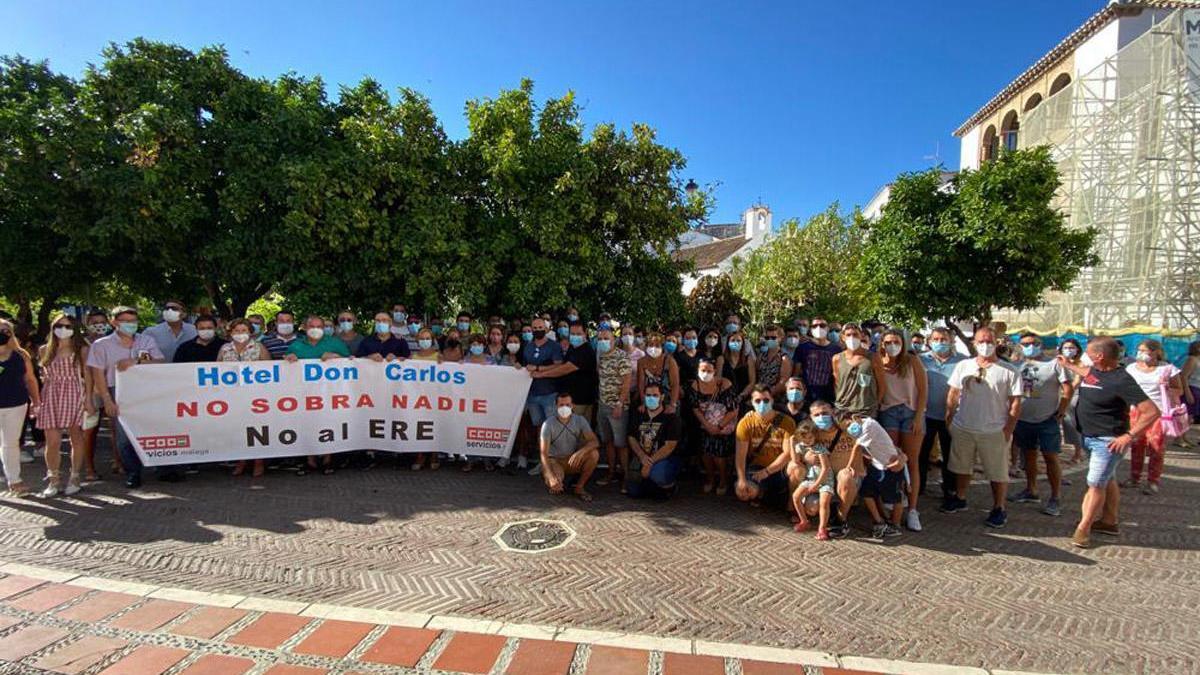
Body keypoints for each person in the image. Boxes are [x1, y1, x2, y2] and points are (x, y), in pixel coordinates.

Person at [1061, 336, 1159, 548]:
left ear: (1099, 356)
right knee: (1108, 478)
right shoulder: (1095, 371)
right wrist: (1067, 365)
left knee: (1095, 484)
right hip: (1088, 436)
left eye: (1088, 352)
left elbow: (1151, 412)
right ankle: (1109, 521)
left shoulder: (1122, 379)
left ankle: (1083, 528)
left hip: (1108, 441)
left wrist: (1129, 436)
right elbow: (1086, 373)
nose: (1084, 355)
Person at [942, 326, 1022, 528]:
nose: (985, 345)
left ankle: (999, 507)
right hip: (964, 426)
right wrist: (949, 417)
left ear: (996, 343)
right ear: (974, 343)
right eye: (981, 341)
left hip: (994, 430)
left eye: (989, 341)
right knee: (961, 466)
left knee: (997, 472)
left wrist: (1008, 430)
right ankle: (960, 498)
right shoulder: (963, 365)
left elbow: (1015, 403)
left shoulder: (1010, 371)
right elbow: (953, 393)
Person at [87, 306, 164, 489]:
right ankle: (132, 472)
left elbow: (160, 361)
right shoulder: (101, 345)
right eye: (126, 321)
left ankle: (161, 468)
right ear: (114, 323)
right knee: (123, 436)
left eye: (133, 321)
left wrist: (136, 361)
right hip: (117, 391)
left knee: (153, 430)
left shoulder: (147, 340)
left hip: (147, 392)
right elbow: (98, 374)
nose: (131, 325)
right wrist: (107, 400)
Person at [1008, 333, 1072, 516]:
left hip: (1047, 419)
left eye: (1033, 343)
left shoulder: (1054, 364)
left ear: (1040, 344)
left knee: (1051, 457)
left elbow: (1067, 388)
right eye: (1025, 344)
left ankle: (1055, 497)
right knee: (1028, 456)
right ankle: (1031, 489)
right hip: (1023, 418)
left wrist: (1061, 411)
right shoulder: (1016, 365)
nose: (1029, 346)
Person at [284, 315, 351, 475]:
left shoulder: (335, 343)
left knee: (328, 422)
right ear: (305, 328)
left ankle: (328, 460)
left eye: (319, 326)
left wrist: (336, 358)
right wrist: (289, 359)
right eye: (312, 326)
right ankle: (310, 461)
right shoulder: (296, 345)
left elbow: (350, 362)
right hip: (304, 394)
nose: (316, 329)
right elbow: (286, 365)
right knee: (307, 424)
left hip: (330, 393)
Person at [876, 328, 928, 532]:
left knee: (912, 461)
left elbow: (923, 391)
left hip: (910, 413)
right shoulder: (879, 362)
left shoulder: (912, 361)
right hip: (888, 412)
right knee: (891, 459)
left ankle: (913, 510)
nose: (892, 345)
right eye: (888, 342)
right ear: (882, 344)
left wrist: (918, 417)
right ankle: (893, 499)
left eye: (896, 341)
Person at [34, 315, 92, 497]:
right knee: (52, 441)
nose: (63, 329)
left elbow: (87, 376)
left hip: (74, 392)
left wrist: (88, 398)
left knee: (76, 437)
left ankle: (74, 477)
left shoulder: (81, 349)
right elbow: (42, 376)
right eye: (59, 325)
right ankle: (53, 479)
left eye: (68, 326)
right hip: (51, 394)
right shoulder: (45, 350)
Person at [1122, 339, 1183, 495]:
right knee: (1136, 444)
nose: (1141, 354)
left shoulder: (1167, 369)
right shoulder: (1131, 368)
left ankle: (1153, 481)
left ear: (1156, 352)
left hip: (1159, 412)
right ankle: (1134, 478)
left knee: (1156, 446)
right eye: (1139, 350)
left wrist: (1167, 387)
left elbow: (1179, 390)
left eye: (1145, 351)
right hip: (1136, 410)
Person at [919, 327, 966, 501]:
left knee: (950, 455)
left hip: (951, 417)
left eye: (944, 339)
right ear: (929, 341)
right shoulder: (921, 360)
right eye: (936, 339)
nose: (940, 343)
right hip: (926, 415)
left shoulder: (962, 361)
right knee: (922, 454)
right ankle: (919, 486)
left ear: (951, 340)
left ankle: (949, 488)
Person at [734, 385, 798, 511]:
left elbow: (788, 454)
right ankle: (765, 496)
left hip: (780, 469)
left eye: (766, 400)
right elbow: (740, 455)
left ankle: (791, 505)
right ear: (751, 403)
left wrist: (767, 471)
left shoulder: (787, 422)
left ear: (772, 401)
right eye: (757, 401)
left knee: (795, 468)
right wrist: (741, 479)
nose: (762, 403)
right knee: (742, 492)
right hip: (756, 468)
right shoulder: (745, 423)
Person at [848, 414, 907, 540]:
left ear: (856, 418)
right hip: (877, 465)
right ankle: (879, 522)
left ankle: (895, 526)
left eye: (849, 423)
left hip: (891, 466)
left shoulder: (869, 425)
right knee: (866, 493)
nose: (848, 427)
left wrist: (849, 466)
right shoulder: (860, 429)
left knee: (896, 497)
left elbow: (857, 447)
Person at [0, 318, 40, 496]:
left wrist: (36, 401)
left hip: (16, 405)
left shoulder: (21, 355)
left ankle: (14, 480)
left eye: (6, 331)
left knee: (10, 444)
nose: (2, 334)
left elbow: (30, 380)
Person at [687, 358, 739, 495]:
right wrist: (707, 425)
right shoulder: (695, 385)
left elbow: (734, 410)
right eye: (703, 370)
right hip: (705, 425)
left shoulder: (725, 384)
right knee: (705, 454)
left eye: (709, 371)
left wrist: (719, 427)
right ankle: (710, 478)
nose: (706, 373)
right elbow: (695, 408)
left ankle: (722, 480)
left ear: (715, 371)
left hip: (724, 425)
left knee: (719, 456)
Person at [625, 383, 682, 499]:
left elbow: (670, 446)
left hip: (664, 459)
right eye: (648, 395)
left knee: (658, 474)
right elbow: (631, 437)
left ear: (662, 397)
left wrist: (650, 463)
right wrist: (642, 456)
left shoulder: (671, 418)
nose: (651, 398)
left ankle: (670, 487)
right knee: (633, 491)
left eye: (655, 395)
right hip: (643, 457)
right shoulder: (638, 415)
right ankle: (653, 487)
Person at [539, 392, 600, 502]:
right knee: (555, 485)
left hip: (573, 459)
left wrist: (581, 452)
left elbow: (595, 442)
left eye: (567, 405)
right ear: (556, 406)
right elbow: (543, 453)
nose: (564, 408)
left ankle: (579, 487)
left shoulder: (580, 420)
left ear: (573, 406)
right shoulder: (548, 424)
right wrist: (551, 476)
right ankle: (557, 481)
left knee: (594, 454)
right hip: (555, 461)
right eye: (561, 405)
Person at [523, 317, 564, 473]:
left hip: (549, 393)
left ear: (547, 329)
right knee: (539, 429)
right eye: (535, 327)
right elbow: (525, 366)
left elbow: (559, 365)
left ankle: (555, 464)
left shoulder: (554, 346)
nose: (537, 330)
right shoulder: (527, 347)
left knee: (552, 429)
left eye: (541, 327)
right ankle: (543, 462)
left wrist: (539, 369)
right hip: (532, 394)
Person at [591, 328, 631, 487]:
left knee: (621, 443)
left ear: (614, 340)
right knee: (607, 441)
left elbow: (627, 382)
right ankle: (611, 473)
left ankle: (626, 478)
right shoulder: (600, 357)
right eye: (600, 339)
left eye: (606, 338)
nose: (603, 341)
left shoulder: (622, 356)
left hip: (618, 407)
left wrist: (620, 404)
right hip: (603, 405)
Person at [535, 323, 598, 424]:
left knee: (579, 429)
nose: (575, 336)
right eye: (572, 334)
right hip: (572, 397)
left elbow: (565, 368)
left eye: (578, 334)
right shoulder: (573, 347)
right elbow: (563, 364)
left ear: (585, 333)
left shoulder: (586, 351)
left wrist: (541, 374)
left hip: (581, 400)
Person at [81, 310, 112, 481]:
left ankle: (118, 462)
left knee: (115, 429)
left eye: (102, 321)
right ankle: (88, 468)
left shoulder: (111, 341)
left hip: (112, 389)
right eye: (94, 322)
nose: (99, 325)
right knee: (90, 431)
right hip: (91, 393)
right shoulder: (81, 344)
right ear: (87, 323)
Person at [787, 422, 832, 538]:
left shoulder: (820, 449)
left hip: (825, 480)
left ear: (815, 436)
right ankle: (804, 521)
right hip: (811, 478)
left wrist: (817, 484)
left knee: (824, 502)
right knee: (796, 496)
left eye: (810, 438)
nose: (807, 440)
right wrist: (792, 443)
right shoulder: (801, 446)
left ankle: (822, 528)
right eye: (804, 438)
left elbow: (825, 468)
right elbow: (795, 460)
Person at [831, 323, 885, 417]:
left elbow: (882, 384)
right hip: (843, 410)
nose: (852, 338)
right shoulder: (837, 358)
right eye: (848, 335)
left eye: (855, 334)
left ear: (861, 335)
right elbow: (837, 383)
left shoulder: (873, 358)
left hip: (866, 411)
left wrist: (876, 404)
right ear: (843, 337)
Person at [795, 317, 840, 406]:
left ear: (827, 329)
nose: (818, 328)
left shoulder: (836, 349)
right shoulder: (803, 347)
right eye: (815, 326)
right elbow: (796, 373)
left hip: (828, 398)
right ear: (811, 329)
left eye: (822, 325)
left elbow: (838, 376)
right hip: (806, 398)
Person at [637, 333, 680, 416]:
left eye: (657, 345)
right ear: (646, 347)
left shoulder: (670, 361)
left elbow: (675, 384)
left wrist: (672, 404)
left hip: (668, 402)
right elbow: (641, 384)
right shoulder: (641, 362)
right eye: (651, 345)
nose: (653, 348)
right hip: (649, 401)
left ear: (662, 347)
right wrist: (644, 403)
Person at [1059, 338, 1086, 464]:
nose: (1068, 350)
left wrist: (1066, 392)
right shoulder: (1058, 362)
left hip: (1074, 396)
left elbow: (1076, 381)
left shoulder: (1080, 364)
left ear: (1077, 350)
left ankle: (1078, 452)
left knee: (1073, 424)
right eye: (1066, 348)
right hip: (1058, 395)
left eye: (1071, 348)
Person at [718, 329, 756, 412]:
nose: (736, 342)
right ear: (728, 343)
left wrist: (741, 396)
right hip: (726, 400)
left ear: (743, 344)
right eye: (733, 340)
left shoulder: (748, 359)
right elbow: (718, 380)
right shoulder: (721, 359)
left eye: (738, 341)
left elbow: (752, 382)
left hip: (744, 399)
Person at [756, 325, 794, 400]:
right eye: (767, 338)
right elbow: (757, 377)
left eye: (773, 338)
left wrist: (767, 395)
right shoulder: (760, 357)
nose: (770, 340)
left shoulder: (784, 359)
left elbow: (783, 383)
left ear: (780, 338)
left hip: (776, 398)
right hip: (759, 396)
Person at [1182, 341, 1200, 426]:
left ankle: (1183, 437)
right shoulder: (1192, 359)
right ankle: (1179, 437)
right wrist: (1188, 393)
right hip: (1191, 389)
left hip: (1197, 389)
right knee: (1187, 414)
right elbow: (1184, 376)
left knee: (1191, 415)